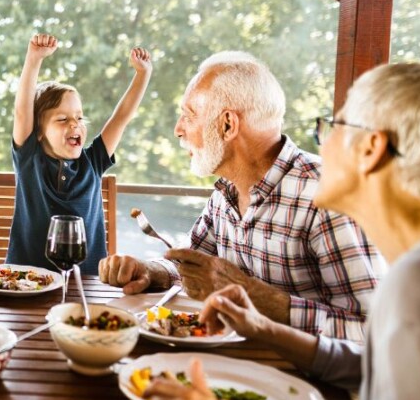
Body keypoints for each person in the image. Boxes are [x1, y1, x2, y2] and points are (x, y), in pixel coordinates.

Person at [146, 62, 420, 400]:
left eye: (331, 127)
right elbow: (375, 363)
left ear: (371, 148)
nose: (319, 144)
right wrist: (264, 328)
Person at [99, 52, 382, 342]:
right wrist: (151, 272)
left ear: (227, 125)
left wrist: (256, 298)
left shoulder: (331, 194)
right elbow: (196, 264)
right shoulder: (226, 190)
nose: (178, 129)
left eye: (189, 115)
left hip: (302, 382)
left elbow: (373, 330)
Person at [8, 33, 152, 274]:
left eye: (79, 117)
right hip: (26, 281)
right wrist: (34, 59)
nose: (74, 124)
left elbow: (121, 117)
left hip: (88, 282)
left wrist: (143, 74)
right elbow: (22, 112)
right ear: (38, 132)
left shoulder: (93, 161)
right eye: (63, 119)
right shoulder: (29, 159)